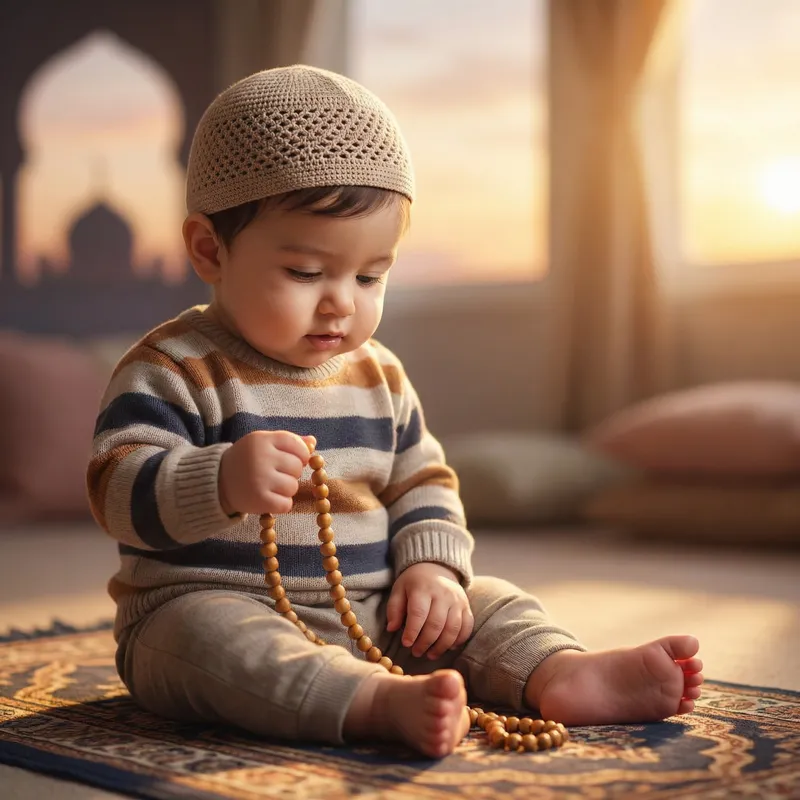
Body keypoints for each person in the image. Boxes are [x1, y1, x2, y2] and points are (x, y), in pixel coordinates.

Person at [87, 65, 703, 759]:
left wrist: (431, 572)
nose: (342, 301)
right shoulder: (173, 367)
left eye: (371, 275)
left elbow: (423, 484)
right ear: (210, 250)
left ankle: (562, 672)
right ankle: (373, 703)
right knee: (208, 640)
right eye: (306, 273)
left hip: (377, 615)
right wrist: (218, 479)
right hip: (206, 607)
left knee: (487, 602)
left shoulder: (378, 374)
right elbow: (115, 490)